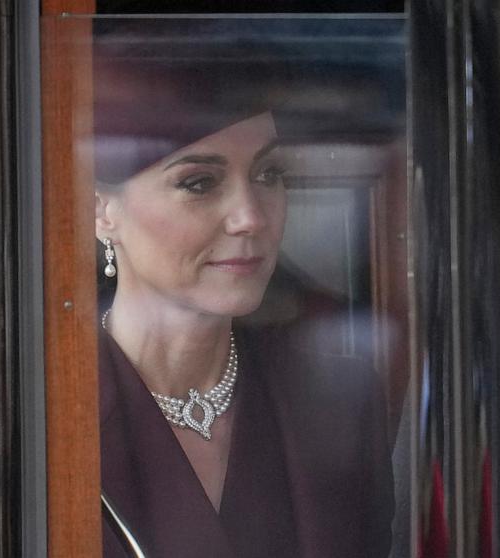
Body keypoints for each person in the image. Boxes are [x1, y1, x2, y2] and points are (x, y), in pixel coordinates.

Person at [91, 20, 393, 558]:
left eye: (268, 174)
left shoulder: (339, 400)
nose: (251, 217)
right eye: (199, 183)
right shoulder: (51, 411)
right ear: (102, 210)